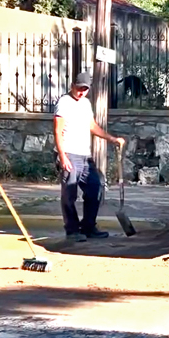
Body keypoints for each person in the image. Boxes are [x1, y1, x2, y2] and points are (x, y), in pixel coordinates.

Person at [54, 71, 125, 242]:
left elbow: (92, 126)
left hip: (85, 155)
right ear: (73, 86)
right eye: (79, 89)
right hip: (69, 153)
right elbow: (57, 130)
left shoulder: (85, 103)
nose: (81, 92)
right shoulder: (64, 102)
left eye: (85, 89)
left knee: (96, 187)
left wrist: (112, 139)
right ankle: (71, 230)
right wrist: (62, 156)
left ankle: (88, 226)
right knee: (69, 193)